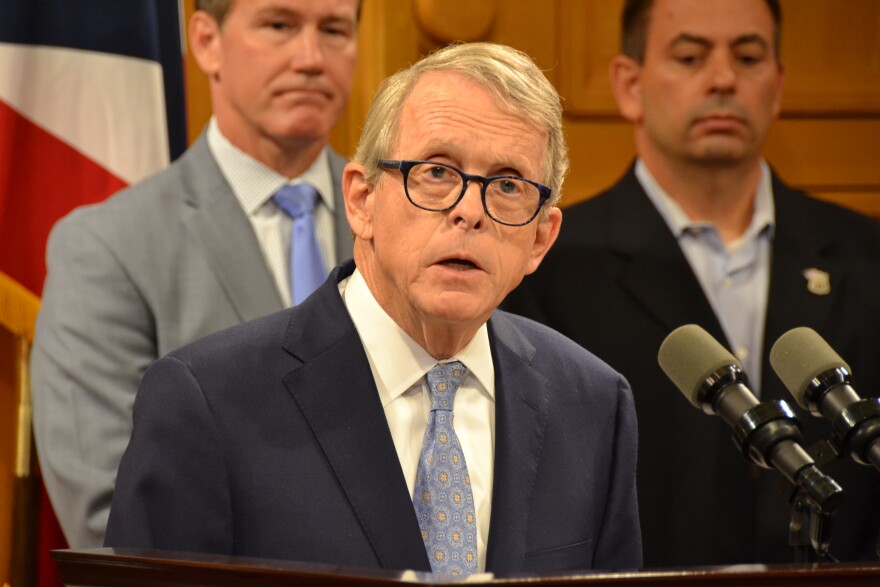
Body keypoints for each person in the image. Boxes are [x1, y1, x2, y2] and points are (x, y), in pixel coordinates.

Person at [103, 42, 642, 576]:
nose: (470, 212)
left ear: (541, 239)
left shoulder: (591, 404)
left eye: (506, 185)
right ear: (362, 201)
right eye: (436, 172)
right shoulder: (207, 402)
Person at [504, 0, 880, 568]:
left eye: (748, 56)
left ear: (777, 86)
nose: (724, 79)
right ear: (628, 84)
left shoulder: (866, 254)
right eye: (690, 56)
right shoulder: (546, 265)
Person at [31, 0, 359, 548]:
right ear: (206, 41)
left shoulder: (413, 226)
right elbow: (114, 520)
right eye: (279, 25)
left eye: (333, 29)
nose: (310, 57)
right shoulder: (108, 246)